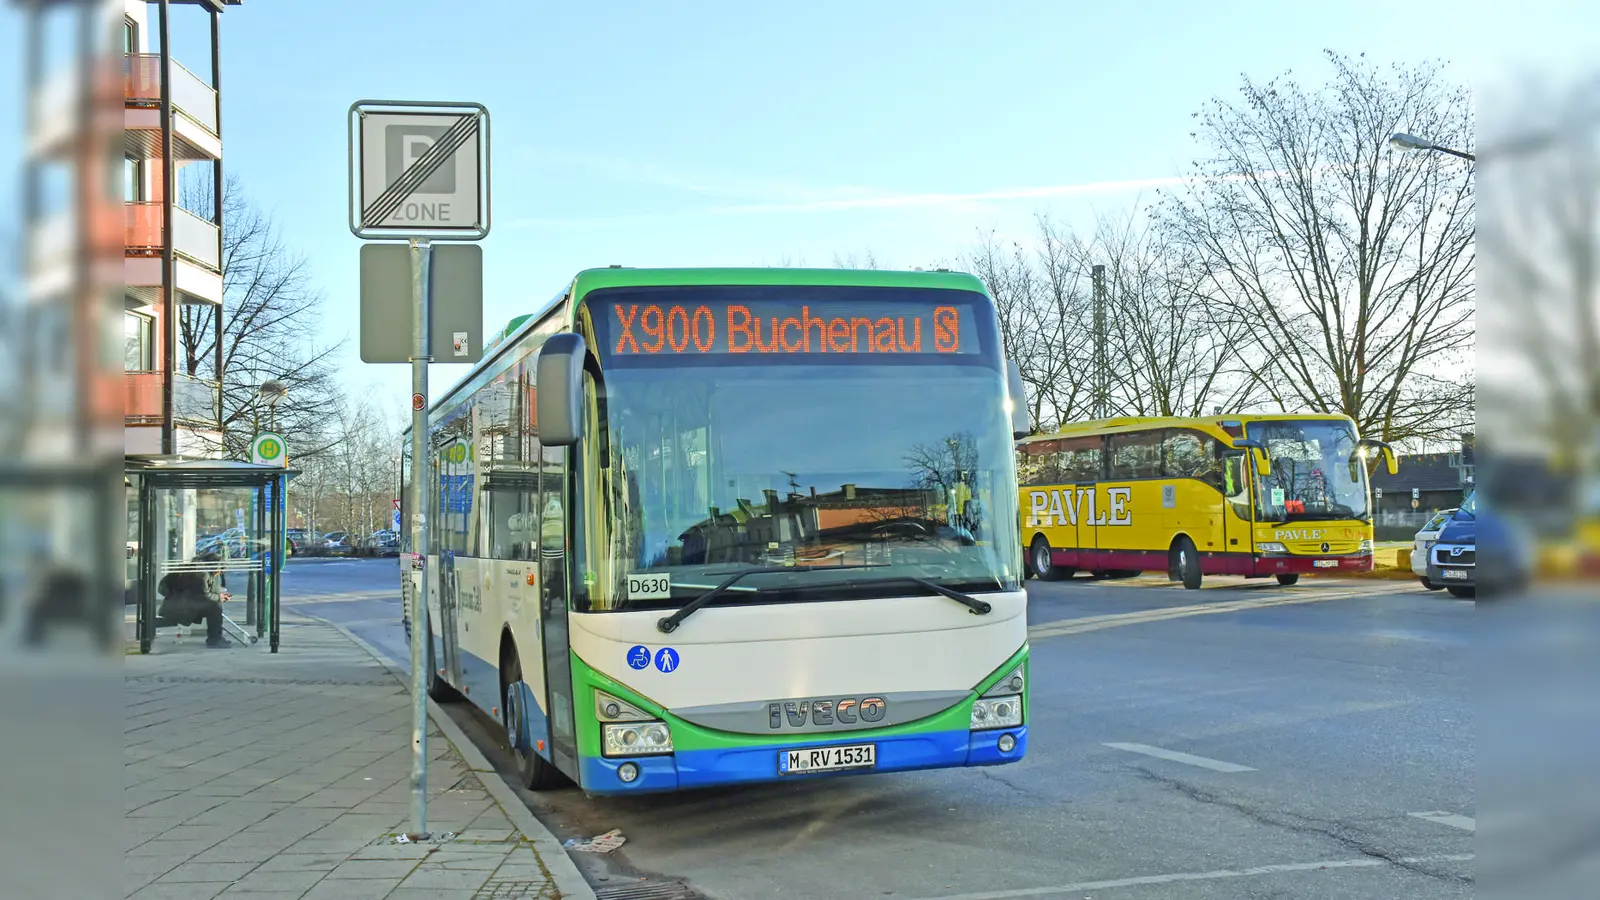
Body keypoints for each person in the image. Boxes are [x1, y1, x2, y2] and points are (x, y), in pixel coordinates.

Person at [157, 551, 233, 648]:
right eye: (220, 570)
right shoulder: (202, 574)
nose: (220, 573)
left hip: (178, 604)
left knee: (214, 606)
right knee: (215, 608)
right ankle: (215, 639)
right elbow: (204, 596)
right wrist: (220, 597)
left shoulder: (195, 568)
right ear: (215, 566)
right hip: (182, 607)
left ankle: (215, 638)